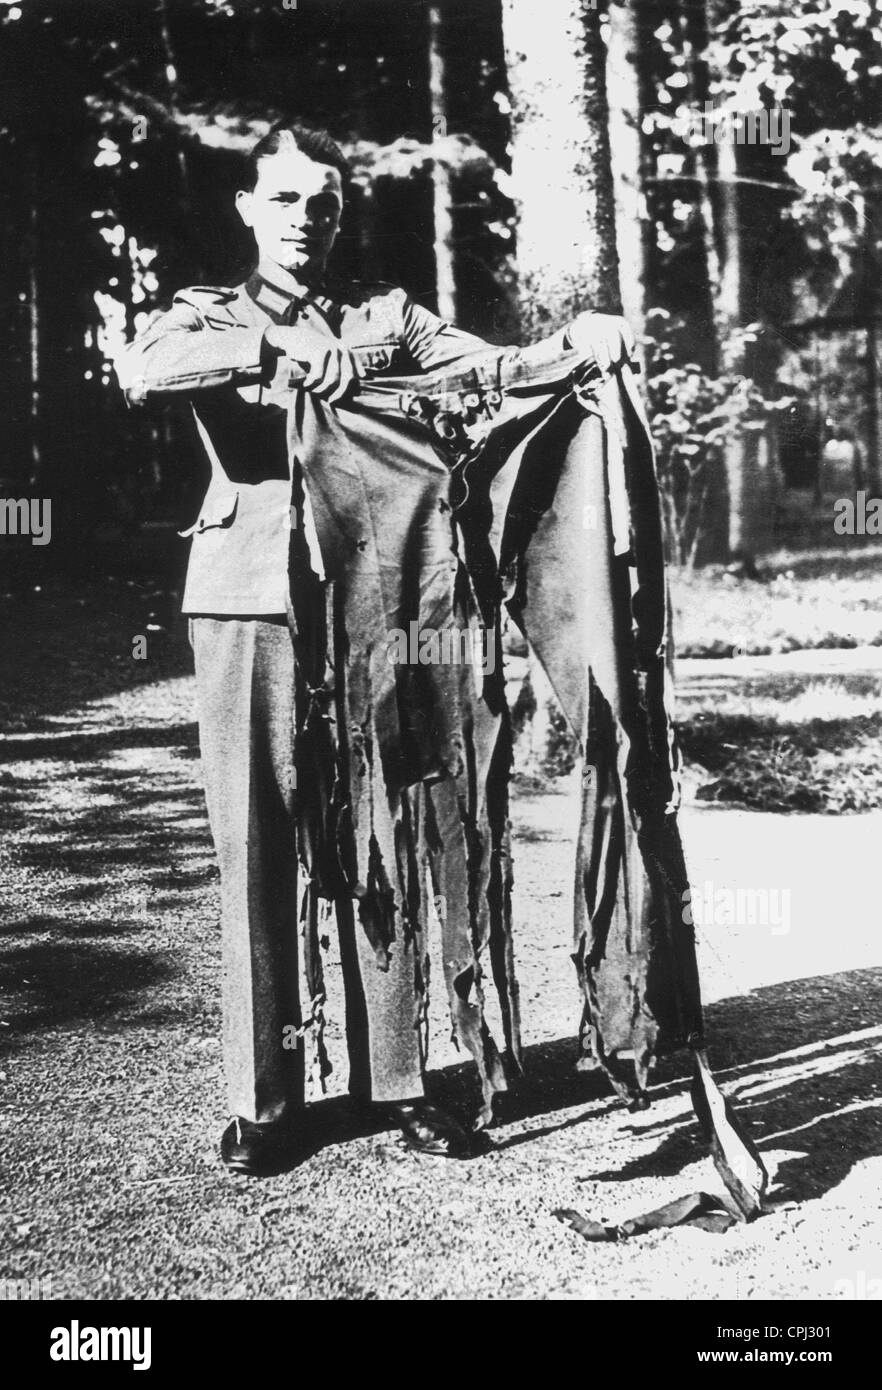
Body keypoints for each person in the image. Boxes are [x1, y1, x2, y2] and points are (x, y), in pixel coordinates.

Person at [116, 122, 634, 1176]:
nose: (306, 219)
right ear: (247, 208)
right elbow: (144, 366)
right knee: (257, 839)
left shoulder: (380, 320)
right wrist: (270, 349)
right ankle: (265, 1098)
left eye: (324, 202)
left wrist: (575, 340)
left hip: (373, 601)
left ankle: (396, 1081)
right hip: (249, 602)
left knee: (380, 823)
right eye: (284, 199)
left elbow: (491, 371)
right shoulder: (206, 313)